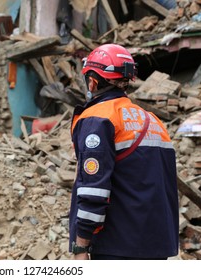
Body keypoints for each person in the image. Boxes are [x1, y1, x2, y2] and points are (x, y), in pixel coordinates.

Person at [68, 44, 179, 260]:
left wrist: (81, 246)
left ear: (92, 80)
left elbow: (94, 189)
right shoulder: (152, 120)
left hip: (117, 248)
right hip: (158, 246)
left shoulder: (99, 118)